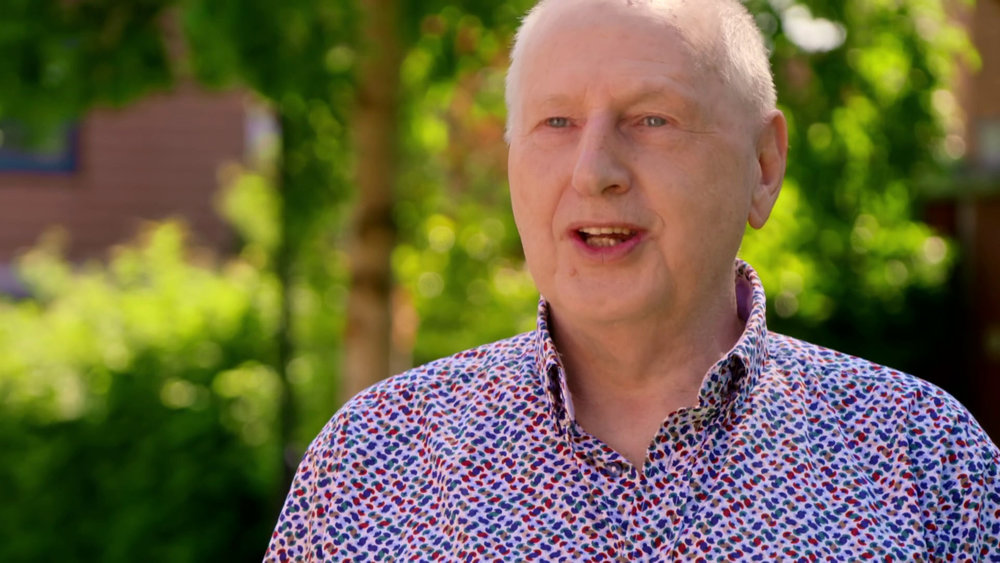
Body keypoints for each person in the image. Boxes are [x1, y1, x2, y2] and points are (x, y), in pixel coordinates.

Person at [264, 0, 1000, 559]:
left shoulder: (927, 462)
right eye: (556, 123)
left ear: (764, 166)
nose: (594, 172)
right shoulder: (371, 463)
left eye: (651, 119)